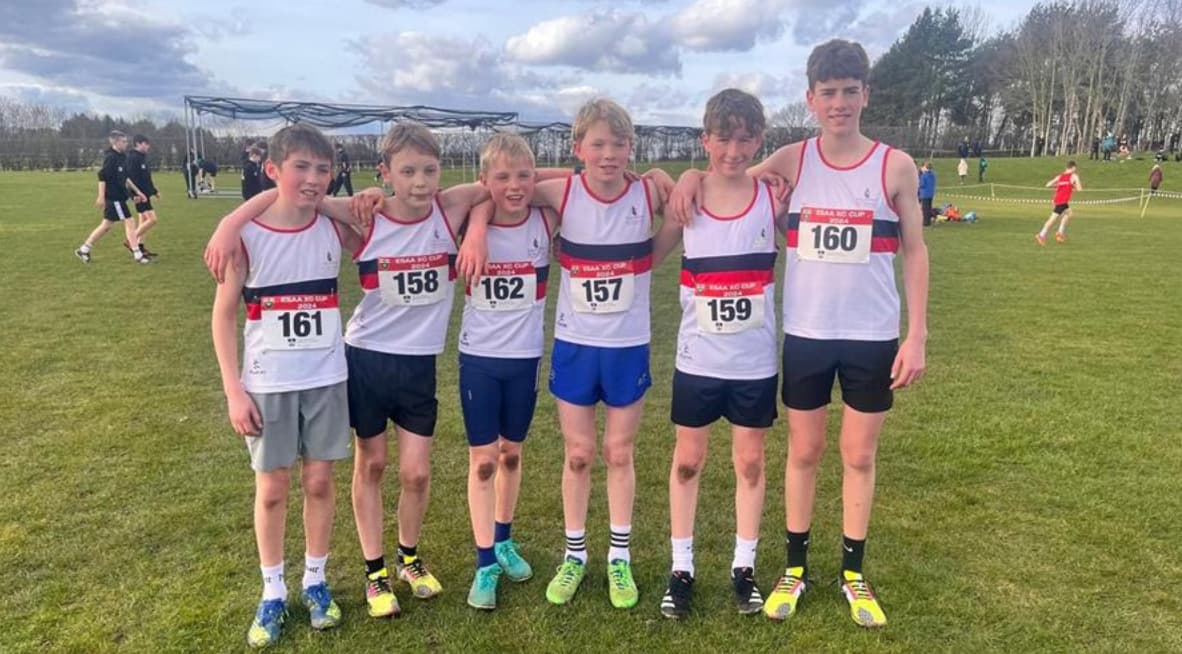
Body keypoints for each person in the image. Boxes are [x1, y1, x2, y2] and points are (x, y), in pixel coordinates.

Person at [670, 38, 928, 629]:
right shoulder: (792, 159)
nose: (839, 103)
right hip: (806, 334)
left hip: (871, 336)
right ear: (811, 99)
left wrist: (916, 335)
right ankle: (793, 568)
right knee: (804, 452)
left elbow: (915, 250)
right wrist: (685, 176)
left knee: (858, 455)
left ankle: (853, 574)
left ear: (866, 95)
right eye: (828, 93)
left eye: (850, 91)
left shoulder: (895, 165)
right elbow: (725, 176)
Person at [206, 121, 493, 620]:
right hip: (363, 359)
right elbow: (303, 197)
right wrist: (231, 221)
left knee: (417, 472)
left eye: (429, 170)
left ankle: (409, 558)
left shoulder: (450, 209)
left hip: (419, 364)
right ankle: (374, 571)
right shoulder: (364, 218)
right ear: (386, 172)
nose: (420, 182)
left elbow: (495, 187)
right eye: (408, 171)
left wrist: (480, 232)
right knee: (372, 464)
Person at [460, 98, 677, 610]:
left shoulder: (649, 191)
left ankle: (619, 557)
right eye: (597, 144)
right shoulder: (562, 191)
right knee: (578, 455)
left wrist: (669, 186)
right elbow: (493, 190)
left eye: (619, 144)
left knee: (618, 453)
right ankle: (574, 555)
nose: (609, 154)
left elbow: (691, 199)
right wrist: (477, 226)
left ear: (632, 147)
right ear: (579, 149)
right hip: (575, 344)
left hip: (627, 345)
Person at [209, 123, 349, 648]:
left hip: (327, 378)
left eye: (323, 169)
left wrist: (232, 214)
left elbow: (368, 209)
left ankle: (315, 581)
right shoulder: (246, 237)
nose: (313, 179)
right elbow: (223, 317)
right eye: (301, 168)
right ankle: (272, 591)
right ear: (272, 170)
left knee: (319, 483)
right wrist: (233, 389)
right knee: (271, 489)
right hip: (268, 383)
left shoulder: (333, 225)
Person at [654, 89, 787, 620]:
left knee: (749, 462)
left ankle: (743, 567)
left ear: (759, 141)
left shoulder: (772, 198)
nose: (733, 150)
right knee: (688, 461)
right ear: (705, 139)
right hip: (698, 360)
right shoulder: (687, 199)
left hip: (754, 362)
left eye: (745, 139)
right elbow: (647, 256)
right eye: (723, 139)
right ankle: (681, 568)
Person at [456, 134, 563, 610]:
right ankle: (484, 564)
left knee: (512, 454)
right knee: (483, 460)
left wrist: (521, 187)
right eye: (501, 177)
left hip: (525, 359)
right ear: (484, 180)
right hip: (479, 358)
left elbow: (580, 181)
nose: (515, 186)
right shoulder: (464, 223)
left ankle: (503, 539)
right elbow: (457, 196)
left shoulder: (547, 218)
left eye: (524, 176)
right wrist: (479, 221)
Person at [74, 130, 151, 264]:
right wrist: (101, 196)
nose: (126, 144)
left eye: (126, 141)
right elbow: (102, 177)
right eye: (123, 141)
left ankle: (84, 249)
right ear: (115, 142)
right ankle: (138, 254)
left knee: (106, 225)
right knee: (130, 221)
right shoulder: (110, 158)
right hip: (113, 197)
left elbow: (126, 178)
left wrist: (137, 192)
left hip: (120, 197)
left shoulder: (123, 157)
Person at [125, 135, 160, 258]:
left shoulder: (142, 158)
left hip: (146, 194)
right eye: (145, 143)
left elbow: (146, 178)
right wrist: (134, 194)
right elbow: (129, 179)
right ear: (138, 144)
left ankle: (140, 246)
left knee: (144, 221)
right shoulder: (132, 158)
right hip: (139, 196)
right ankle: (131, 240)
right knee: (153, 220)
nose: (148, 146)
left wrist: (154, 191)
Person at [1036, 161, 1082, 245]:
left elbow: (1048, 185)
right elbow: (1079, 189)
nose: (1075, 170)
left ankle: (1060, 233)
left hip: (1058, 200)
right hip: (1062, 201)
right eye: (1075, 168)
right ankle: (1041, 234)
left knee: (1069, 213)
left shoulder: (1060, 176)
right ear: (1073, 167)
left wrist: (1059, 185)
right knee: (1052, 219)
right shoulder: (1074, 176)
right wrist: (1073, 185)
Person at [918, 161, 936, 227]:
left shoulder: (924, 175)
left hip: (925, 194)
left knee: (925, 209)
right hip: (931, 193)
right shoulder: (933, 174)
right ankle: (929, 221)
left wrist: (918, 185)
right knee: (929, 208)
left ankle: (925, 223)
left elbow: (922, 184)